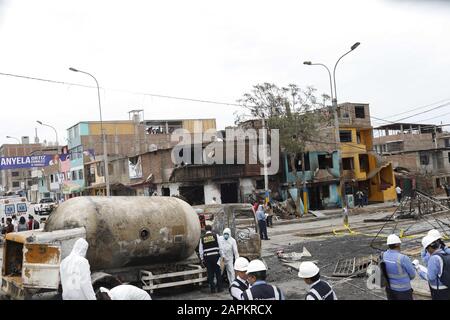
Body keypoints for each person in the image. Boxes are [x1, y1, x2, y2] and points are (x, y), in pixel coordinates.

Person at [380, 234, 416, 300]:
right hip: (403, 290)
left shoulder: (383, 255)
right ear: (397, 244)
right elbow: (412, 275)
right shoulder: (403, 258)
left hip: (389, 288)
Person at [417, 234, 450, 300]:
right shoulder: (445, 253)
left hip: (439, 290)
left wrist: (419, 271)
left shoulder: (434, 258)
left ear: (429, 248)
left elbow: (430, 277)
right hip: (447, 286)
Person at [199, 225, 223, 293]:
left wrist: (202, 258)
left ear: (205, 230)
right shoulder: (216, 236)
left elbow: (201, 250)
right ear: (211, 229)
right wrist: (221, 255)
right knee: (218, 272)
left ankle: (212, 289)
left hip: (207, 258)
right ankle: (219, 288)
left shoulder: (202, 238)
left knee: (210, 273)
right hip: (216, 256)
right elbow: (220, 247)